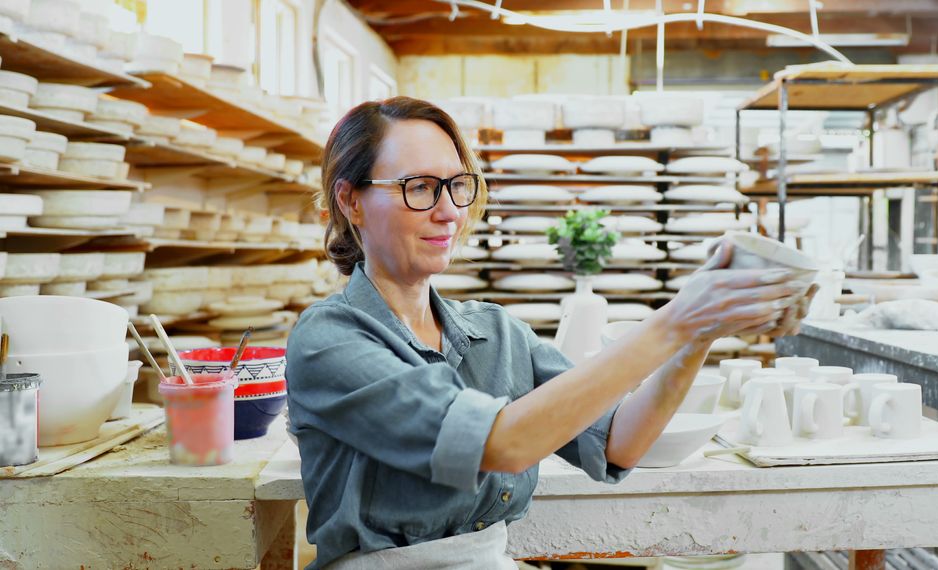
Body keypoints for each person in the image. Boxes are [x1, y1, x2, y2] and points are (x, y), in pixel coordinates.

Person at [285, 96, 813, 569]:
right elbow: (504, 443)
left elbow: (619, 443)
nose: (448, 211)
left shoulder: (494, 331)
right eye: (419, 187)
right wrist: (677, 317)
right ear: (351, 201)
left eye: (457, 185)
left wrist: (700, 335)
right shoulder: (329, 339)